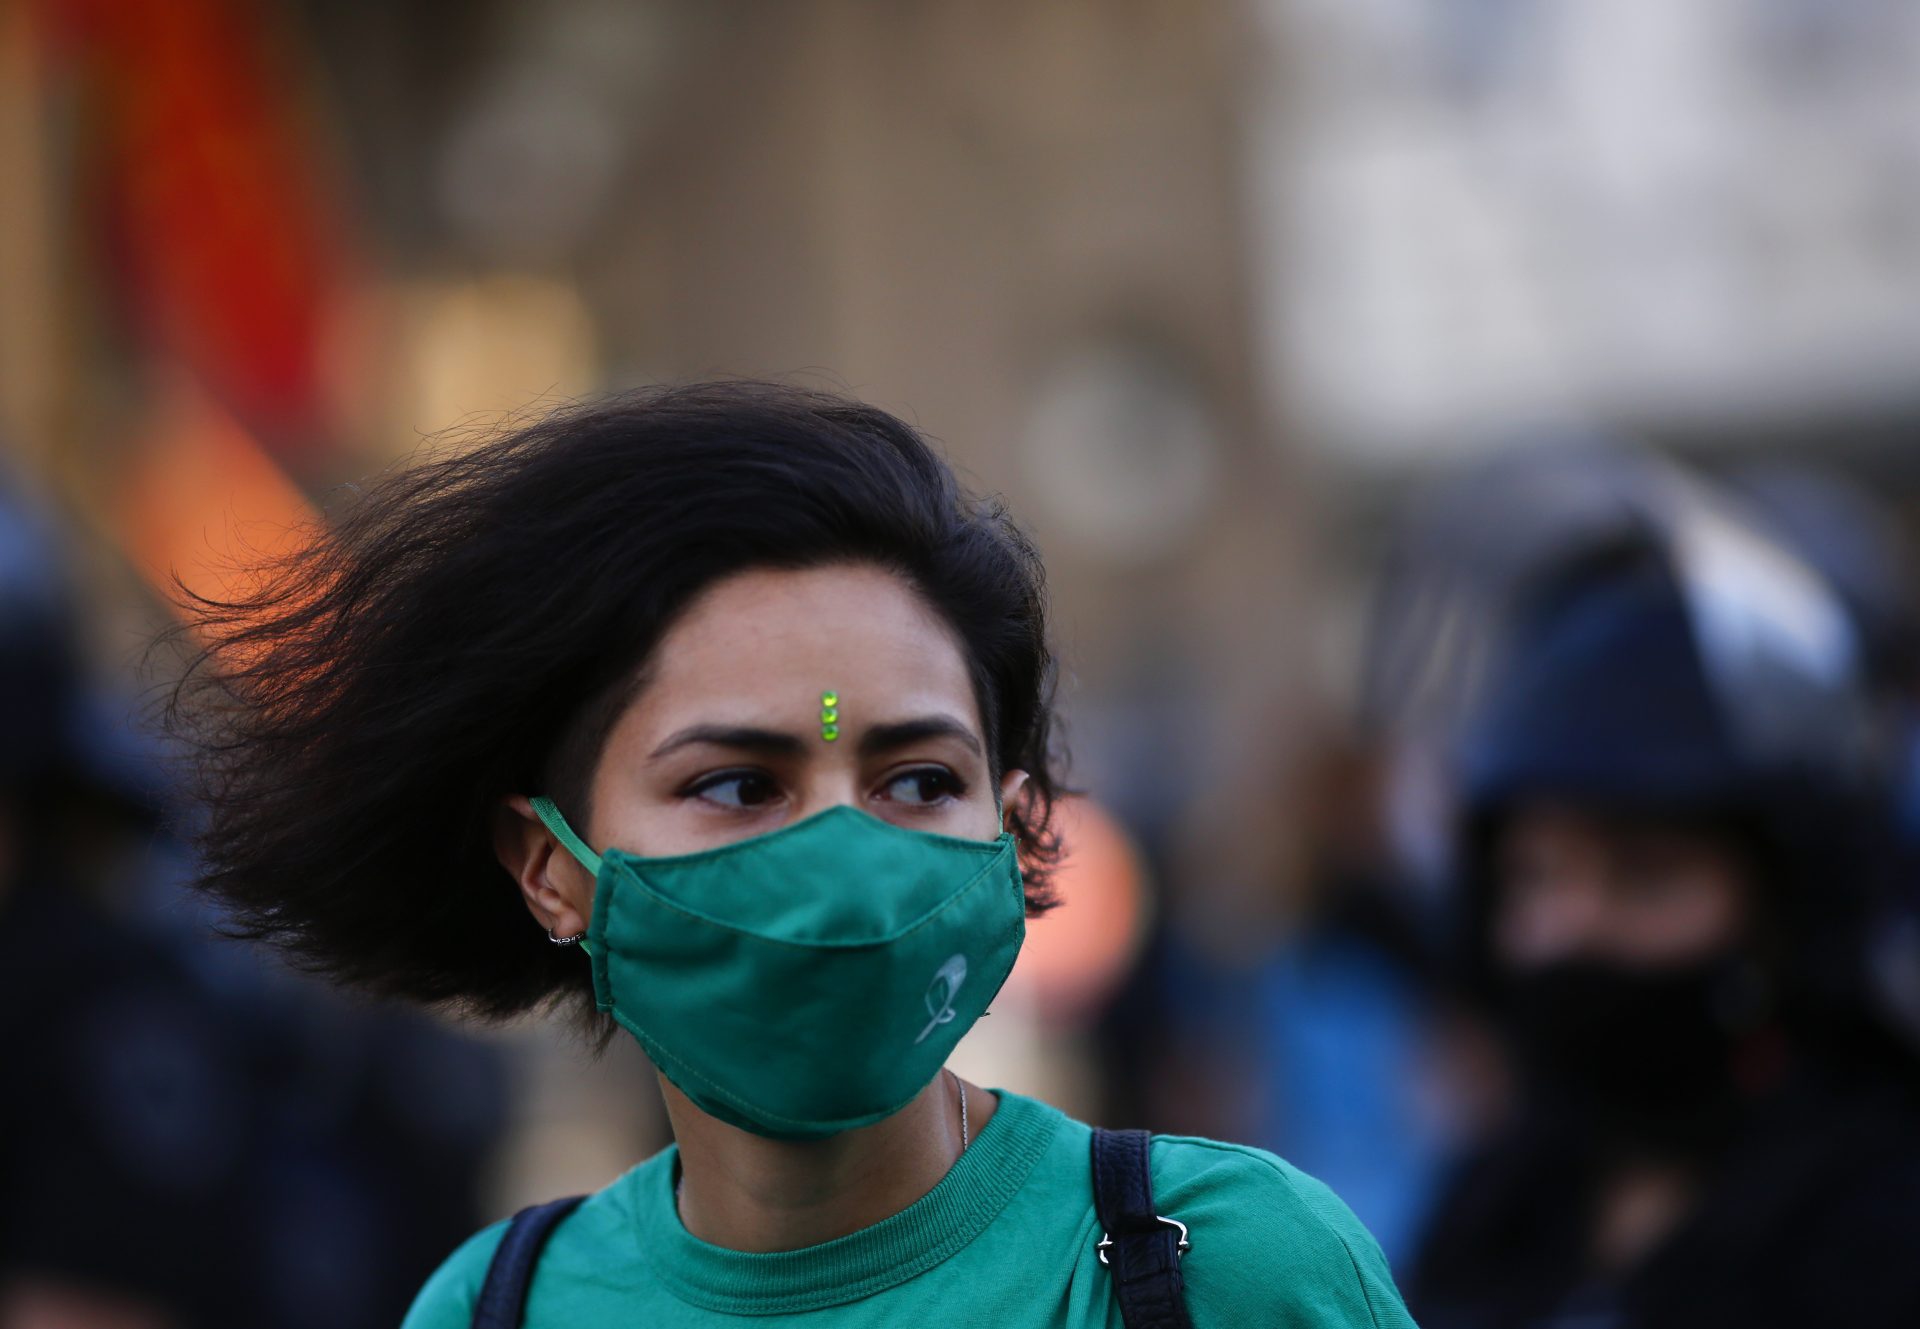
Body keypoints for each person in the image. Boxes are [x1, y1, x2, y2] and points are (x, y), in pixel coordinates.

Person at [167, 382, 1415, 1328]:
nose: (843, 853)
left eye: (919, 779)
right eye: (738, 784)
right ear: (549, 868)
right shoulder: (500, 1310)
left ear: (1012, 820)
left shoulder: (1208, 1263)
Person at [1406, 530, 1920, 1329]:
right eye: (1533, 875)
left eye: (1644, 874)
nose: (1567, 925)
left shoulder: (1881, 1214)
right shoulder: (1493, 1205)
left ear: (1780, 909)